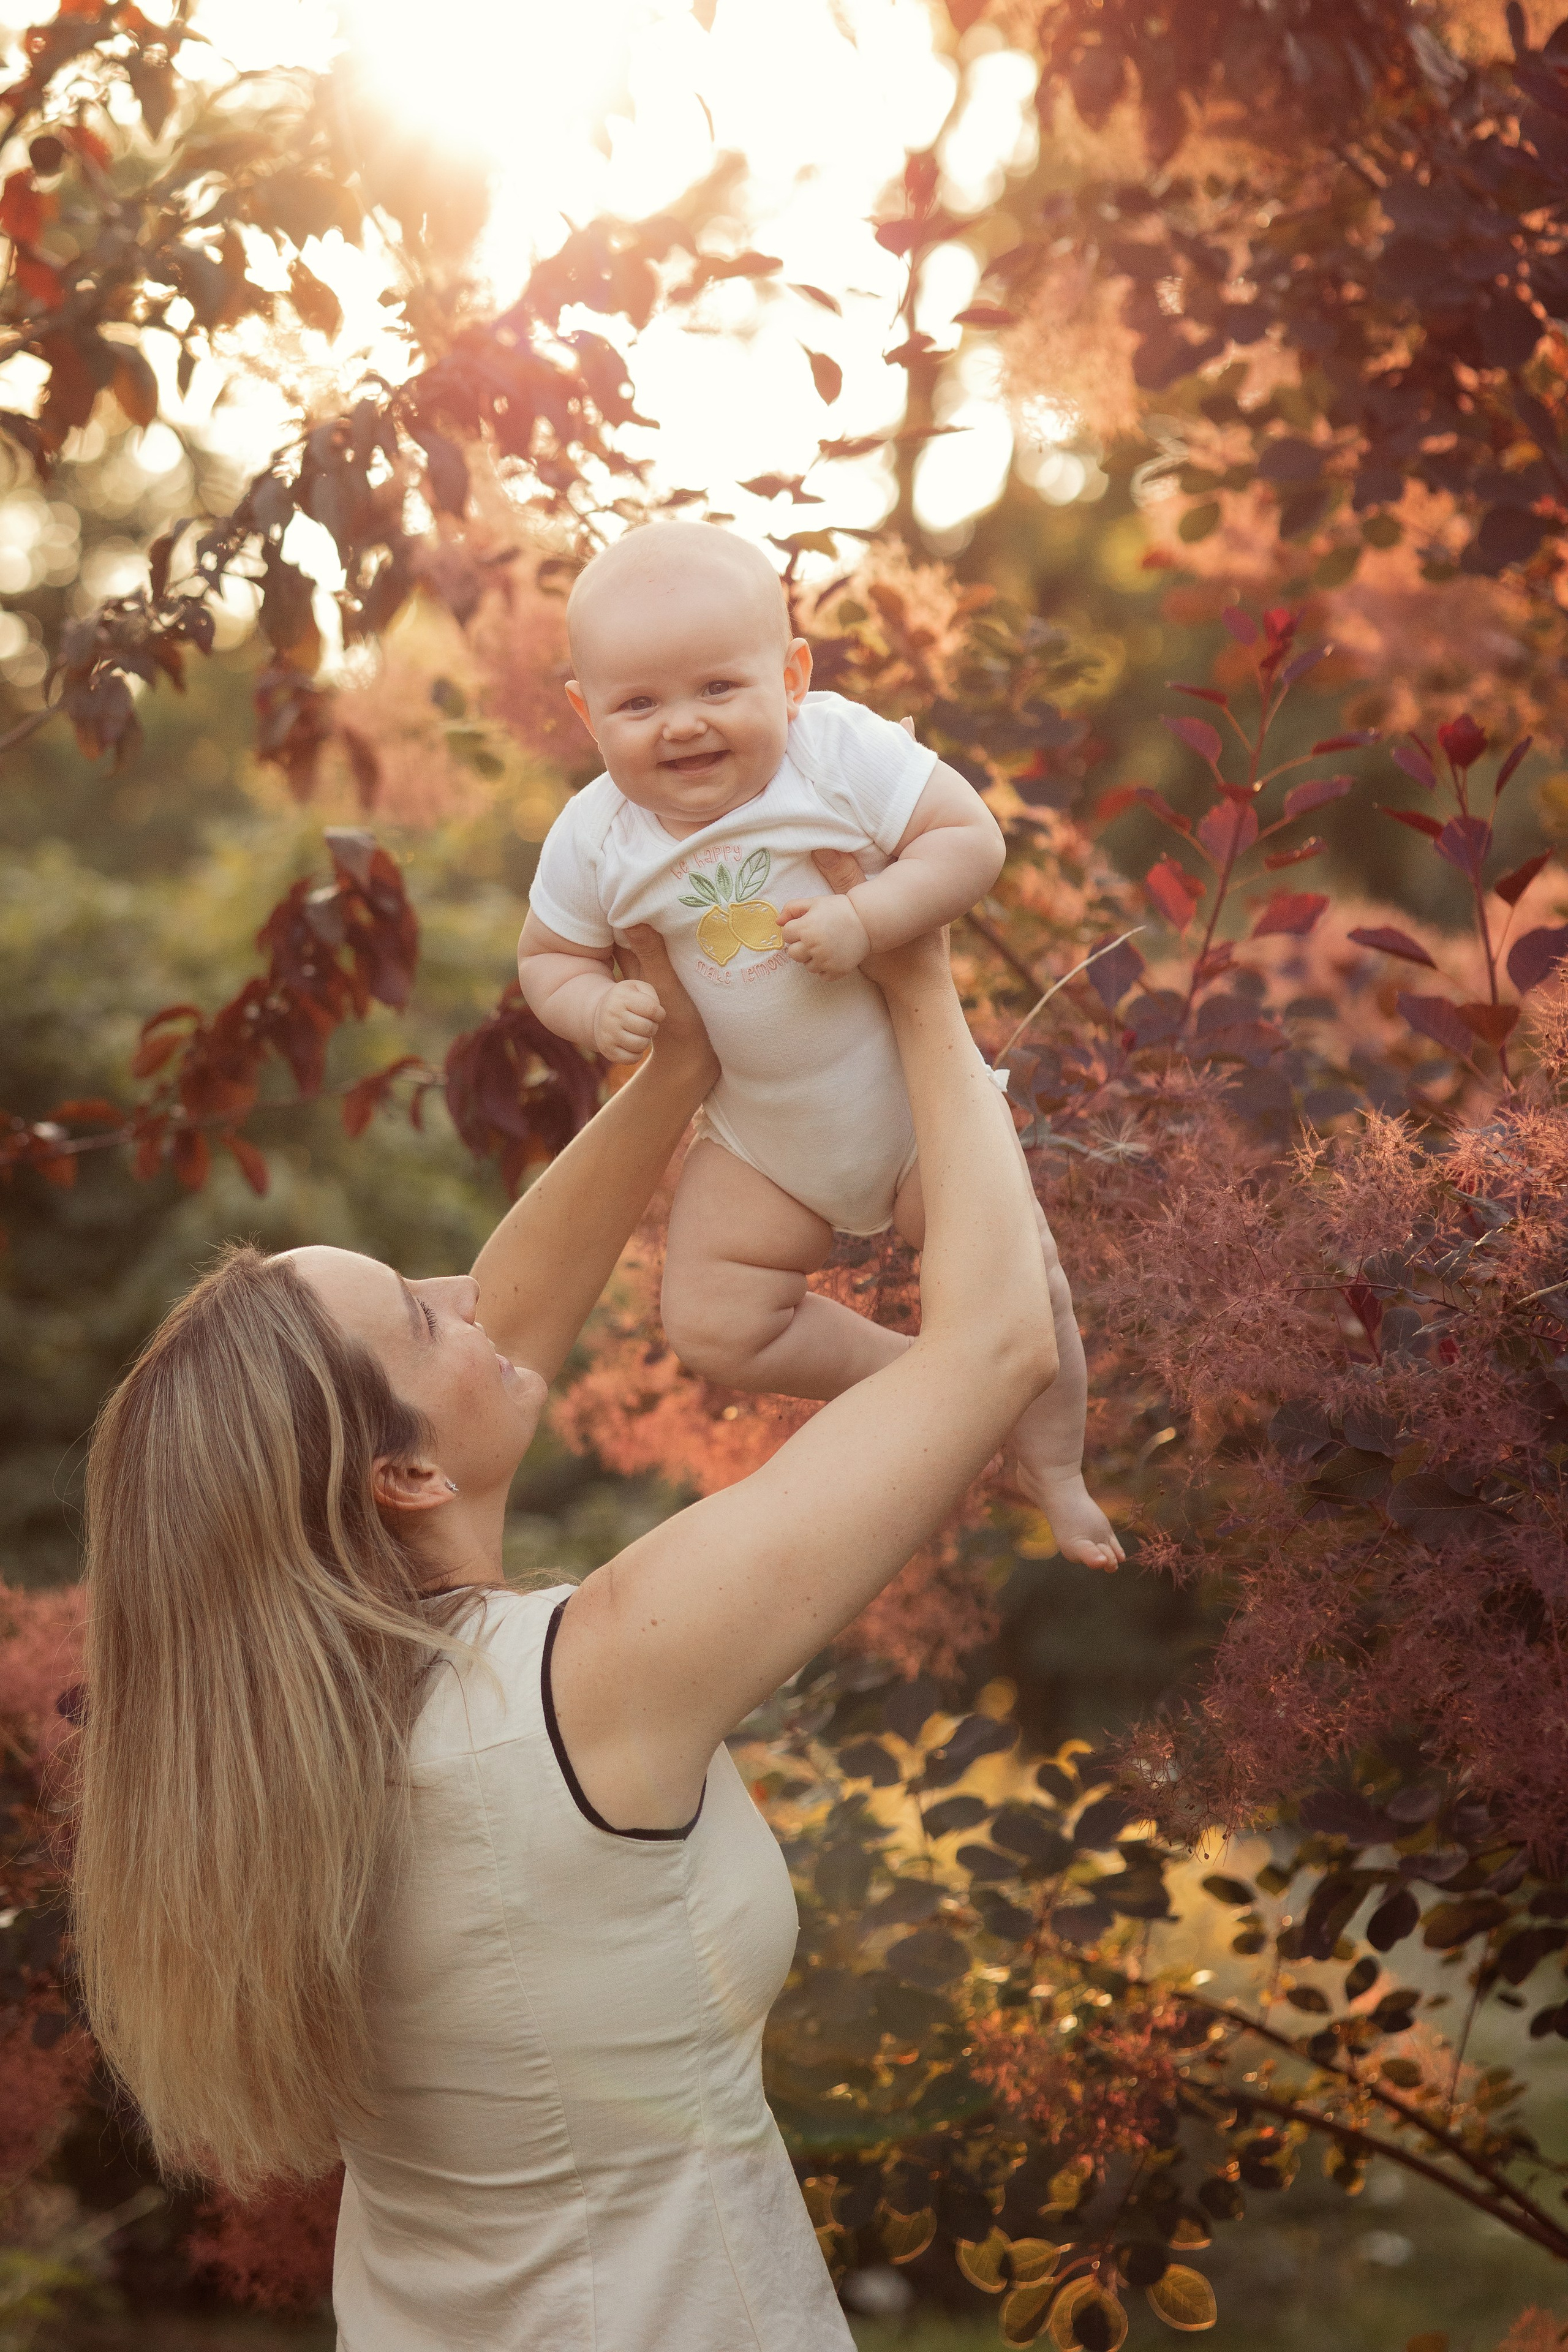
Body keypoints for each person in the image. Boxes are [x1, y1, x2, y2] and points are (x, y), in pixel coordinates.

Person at [70, 900, 1059, 2352]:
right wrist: (920, 990)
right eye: (421, 1310)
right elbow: (994, 1346)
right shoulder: (588, 1689)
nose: (474, 1292)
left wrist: (672, 1075)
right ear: (400, 1477)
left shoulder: (291, 1752)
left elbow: (494, 1352)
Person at [517, 521, 1120, 1568]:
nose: (683, 727)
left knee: (1024, 1280)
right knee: (712, 1321)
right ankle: (922, 1380)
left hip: (918, 1114)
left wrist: (872, 917)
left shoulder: (836, 753)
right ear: (585, 712)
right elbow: (547, 958)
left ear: (792, 675)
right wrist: (588, 1011)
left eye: (718, 688)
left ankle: (1056, 1467)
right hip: (766, 1145)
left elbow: (971, 840)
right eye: (639, 704)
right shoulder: (595, 835)